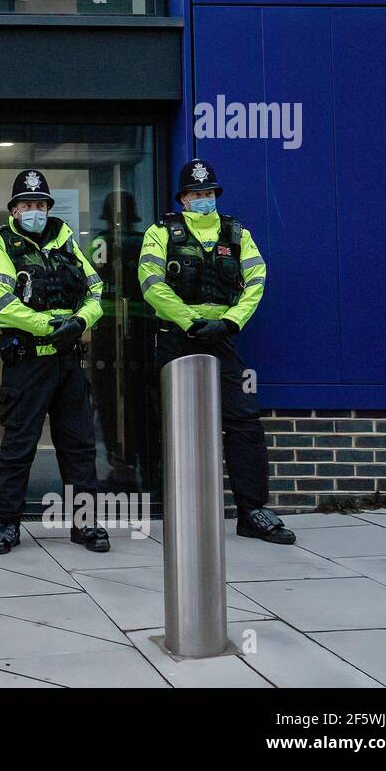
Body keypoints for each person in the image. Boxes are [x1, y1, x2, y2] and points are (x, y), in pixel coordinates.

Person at [139, 159, 294, 544]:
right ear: (183, 198)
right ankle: (180, 511)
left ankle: (252, 511)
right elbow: (151, 282)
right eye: (197, 194)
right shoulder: (162, 232)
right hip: (175, 337)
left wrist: (230, 322)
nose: (203, 200)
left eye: (209, 193)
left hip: (222, 339)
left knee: (244, 421)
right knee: (171, 426)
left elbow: (256, 280)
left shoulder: (237, 233)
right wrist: (191, 321)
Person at [0, 168, 109, 555]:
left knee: (80, 446)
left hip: (68, 363)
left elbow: (96, 290)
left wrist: (81, 321)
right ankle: (6, 524)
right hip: (28, 363)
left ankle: (84, 525)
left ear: (48, 207)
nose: (34, 210)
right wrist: (50, 325)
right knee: (19, 446)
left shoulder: (67, 242)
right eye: (26, 204)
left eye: (40, 204)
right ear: (14, 210)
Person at [87, 191, 150, 492]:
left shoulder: (98, 241)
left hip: (103, 327)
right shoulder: (145, 241)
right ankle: (142, 462)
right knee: (141, 399)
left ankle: (118, 462)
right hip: (141, 326)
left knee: (107, 399)